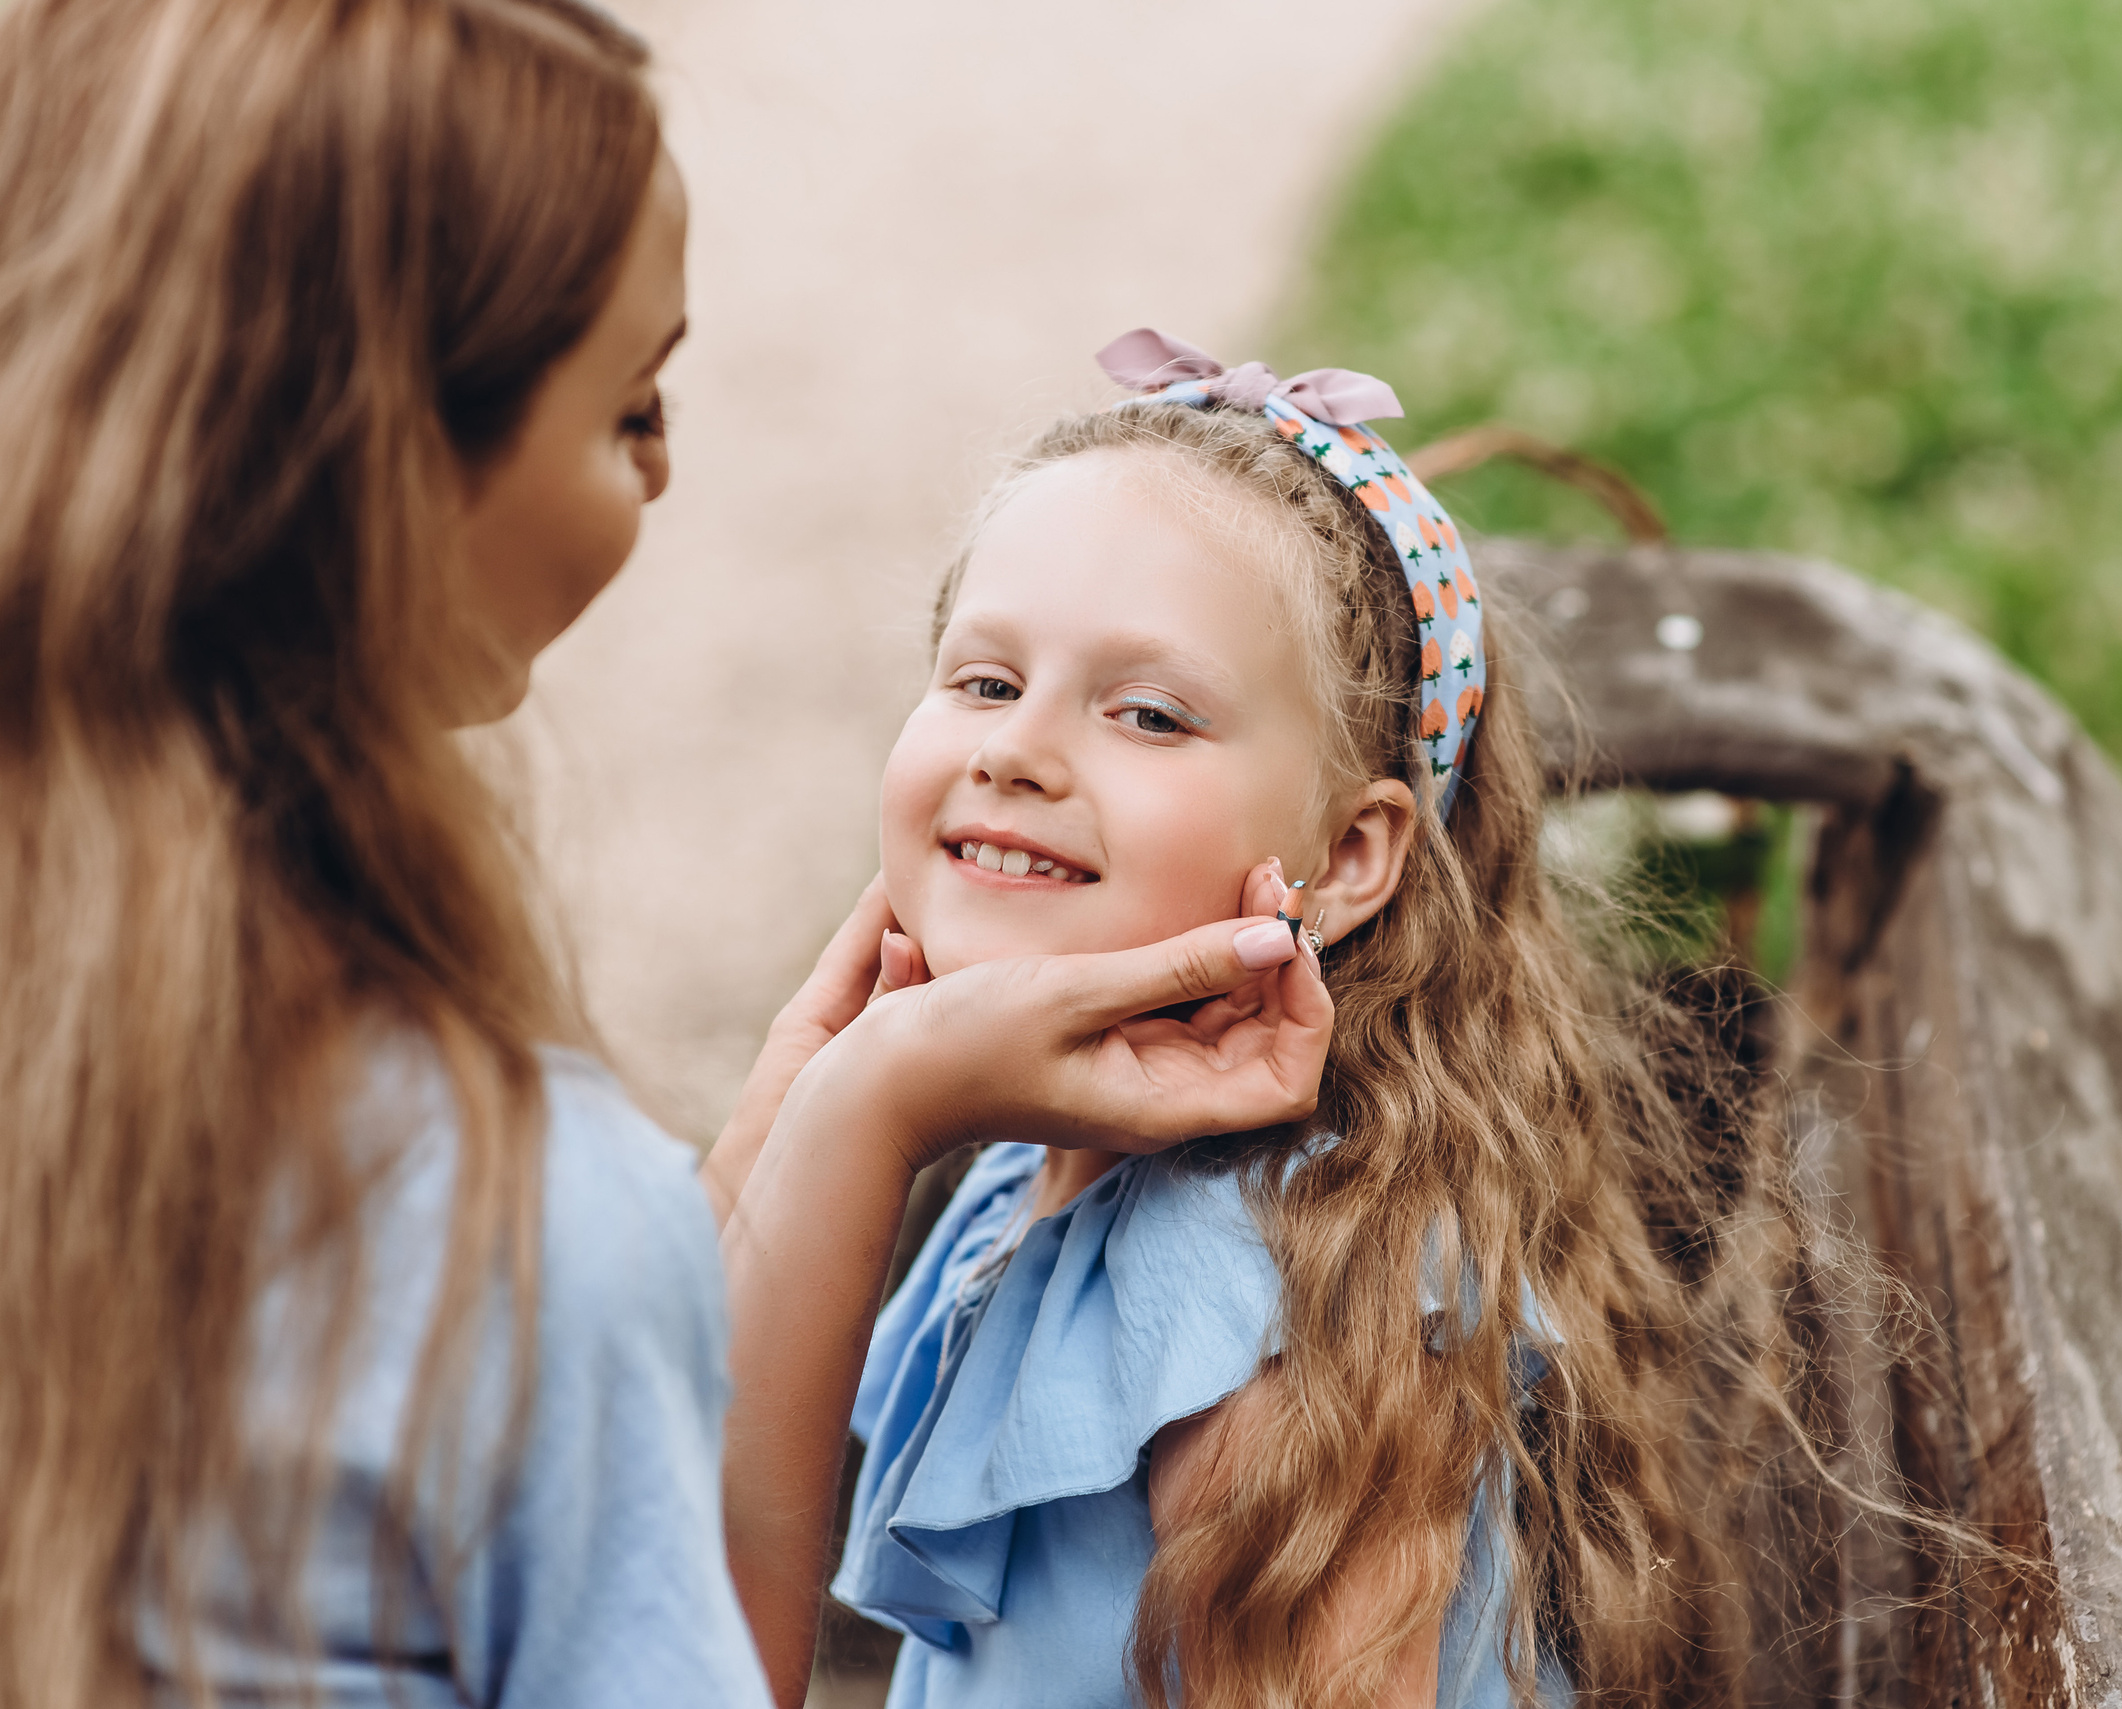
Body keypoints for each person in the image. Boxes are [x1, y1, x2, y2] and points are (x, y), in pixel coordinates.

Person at [0, 8, 1326, 1708]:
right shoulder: (505, 1209)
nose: (664, 463)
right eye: (629, 405)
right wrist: (865, 1123)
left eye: (1146, 713)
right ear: (393, 463)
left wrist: (736, 1197)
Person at [816, 333, 1787, 1709]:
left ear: (1342, 860)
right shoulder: (1024, 1177)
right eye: (983, 679)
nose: (1015, 749)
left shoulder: (1267, 1304)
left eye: (1149, 713)